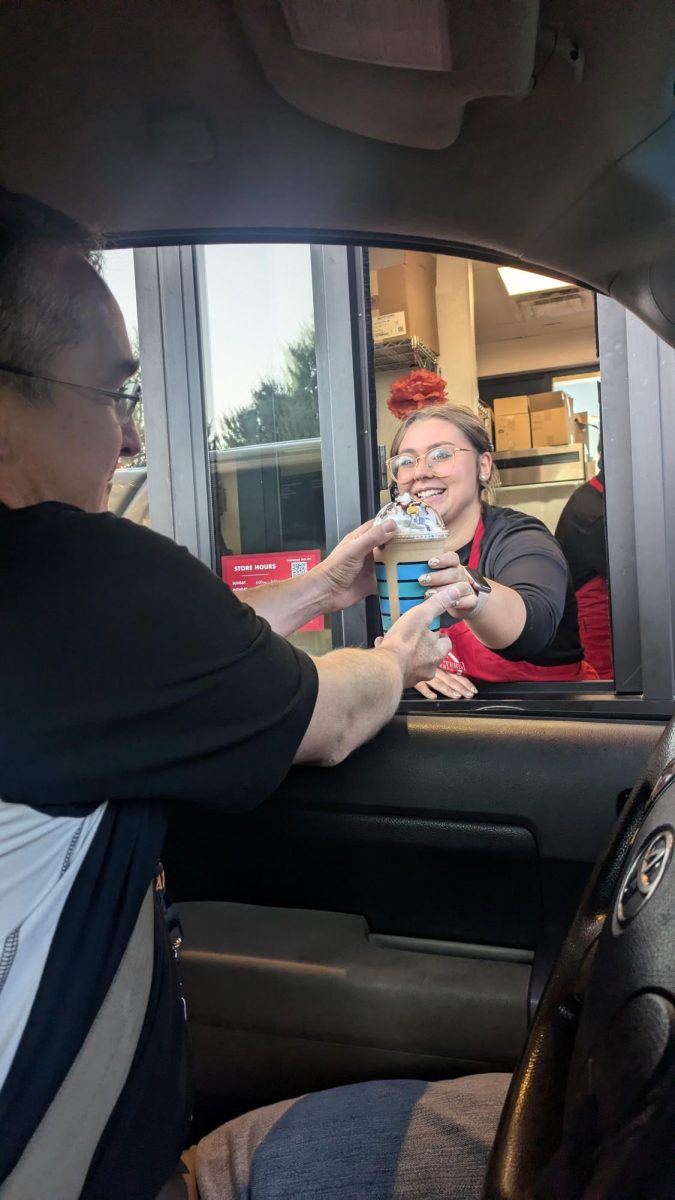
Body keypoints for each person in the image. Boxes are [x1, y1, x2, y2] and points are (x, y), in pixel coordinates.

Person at [0, 187, 493, 1200]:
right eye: (113, 396)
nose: (131, 442)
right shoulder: (65, 573)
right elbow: (332, 713)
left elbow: (166, 673)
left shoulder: (56, 618)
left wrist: (319, 586)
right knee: (539, 1130)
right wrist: (399, 655)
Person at [385, 402, 597, 699]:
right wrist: (400, 667)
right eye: (407, 461)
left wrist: (472, 596)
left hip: (546, 724)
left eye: (441, 455)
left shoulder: (520, 538)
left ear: (483, 466)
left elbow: (533, 623)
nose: (420, 472)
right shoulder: (392, 555)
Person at [555, 465, 613, 678]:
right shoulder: (594, 515)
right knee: (607, 689)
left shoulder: (592, 497)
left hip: (602, 621)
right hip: (592, 626)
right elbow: (633, 580)